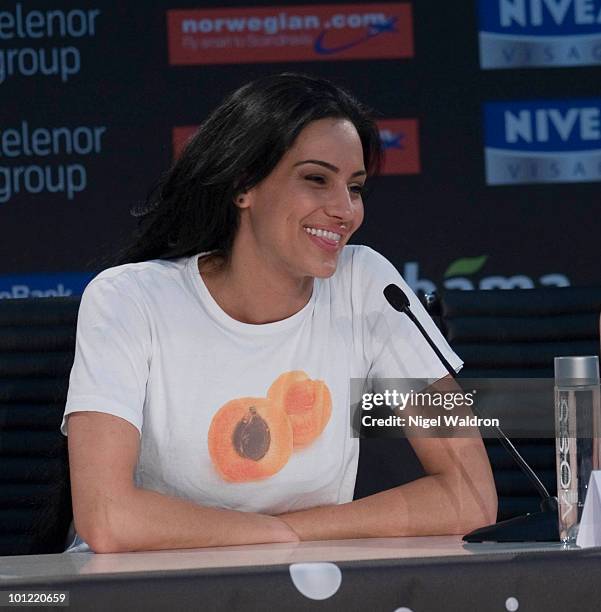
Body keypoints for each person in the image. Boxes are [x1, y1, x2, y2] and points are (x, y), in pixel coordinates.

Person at [62, 73, 497, 553]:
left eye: (354, 188)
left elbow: (470, 493)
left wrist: (290, 538)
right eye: (316, 179)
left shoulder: (369, 283)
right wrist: (274, 539)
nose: (345, 210)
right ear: (244, 186)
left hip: (299, 585)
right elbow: (106, 516)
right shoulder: (128, 298)